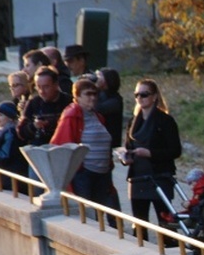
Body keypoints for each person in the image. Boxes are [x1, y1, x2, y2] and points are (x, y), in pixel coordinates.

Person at [50, 78, 122, 222]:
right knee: (89, 216)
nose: (93, 98)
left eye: (95, 94)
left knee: (111, 212)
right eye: (88, 94)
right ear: (77, 97)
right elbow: (63, 144)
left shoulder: (98, 116)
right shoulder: (72, 114)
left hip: (102, 173)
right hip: (84, 173)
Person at [122, 78, 182, 226]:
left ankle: (170, 247)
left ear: (154, 96)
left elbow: (175, 150)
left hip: (159, 177)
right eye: (137, 95)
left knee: (165, 223)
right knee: (139, 223)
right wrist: (125, 158)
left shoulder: (166, 121)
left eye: (144, 94)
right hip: (137, 179)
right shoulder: (133, 122)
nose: (140, 98)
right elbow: (128, 147)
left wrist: (150, 153)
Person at [17, 66, 73, 147]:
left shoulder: (68, 102)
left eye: (46, 87)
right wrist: (34, 126)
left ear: (56, 85)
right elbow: (21, 133)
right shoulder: (33, 103)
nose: (42, 91)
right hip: (40, 149)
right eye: (38, 87)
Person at [95, 67, 124, 147]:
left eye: (99, 77)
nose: (97, 79)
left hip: (109, 143)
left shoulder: (116, 100)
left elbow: (97, 108)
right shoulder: (101, 95)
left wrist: (95, 88)